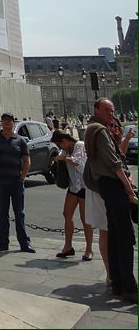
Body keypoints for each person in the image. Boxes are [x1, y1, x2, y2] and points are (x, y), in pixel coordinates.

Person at [84, 98, 137, 302]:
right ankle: (128, 286)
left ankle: (116, 282)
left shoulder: (91, 129)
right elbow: (115, 164)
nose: (111, 113)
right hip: (113, 185)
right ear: (97, 109)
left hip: (105, 186)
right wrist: (128, 187)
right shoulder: (100, 131)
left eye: (113, 110)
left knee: (114, 234)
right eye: (107, 110)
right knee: (124, 237)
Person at [0, 112, 35, 253]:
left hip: (16, 182)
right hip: (1, 182)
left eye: (9, 121)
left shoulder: (20, 140)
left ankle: (24, 243)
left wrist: (22, 177)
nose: (7, 123)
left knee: (19, 213)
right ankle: (3, 243)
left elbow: (27, 161)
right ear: (1, 123)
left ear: (13, 123)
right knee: (3, 213)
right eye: (4, 120)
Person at [50, 129, 93, 260]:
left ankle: (89, 249)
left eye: (59, 144)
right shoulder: (65, 150)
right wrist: (58, 157)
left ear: (64, 141)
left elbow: (80, 164)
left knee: (85, 218)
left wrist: (65, 158)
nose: (60, 147)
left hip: (84, 187)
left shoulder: (80, 145)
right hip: (73, 187)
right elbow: (60, 156)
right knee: (67, 214)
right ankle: (68, 246)